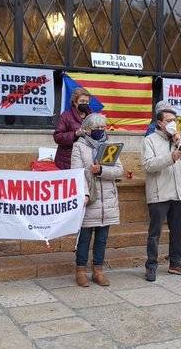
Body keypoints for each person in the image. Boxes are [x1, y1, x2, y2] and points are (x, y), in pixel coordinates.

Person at [142, 106, 181, 282]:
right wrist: (170, 157)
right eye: (168, 121)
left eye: (175, 120)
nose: (172, 123)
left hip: (178, 192)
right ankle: (151, 265)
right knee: (155, 232)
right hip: (159, 192)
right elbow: (148, 165)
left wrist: (180, 144)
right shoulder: (150, 140)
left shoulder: (178, 139)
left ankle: (176, 263)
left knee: (177, 230)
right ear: (159, 123)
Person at [70, 113, 123, 287]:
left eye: (103, 127)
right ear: (87, 130)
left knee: (102, 238)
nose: (100, 130)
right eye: (96, 128)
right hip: (89, 199)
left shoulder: (109, 146)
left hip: (107, 199)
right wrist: (84, 194)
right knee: (84, 238)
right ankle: (81, 271)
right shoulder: (79, 146)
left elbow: (118, 171)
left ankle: (98, 270)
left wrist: (101, 171)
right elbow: (76, 173)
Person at [53, 88, 91, 169]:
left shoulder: (91, 116)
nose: (85, 103)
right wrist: (75, 134)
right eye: (82, 101)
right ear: (75, 102)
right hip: (67, 160)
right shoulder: (66, 116)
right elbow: (57, 137)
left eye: (87, 102)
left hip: (86, 159)